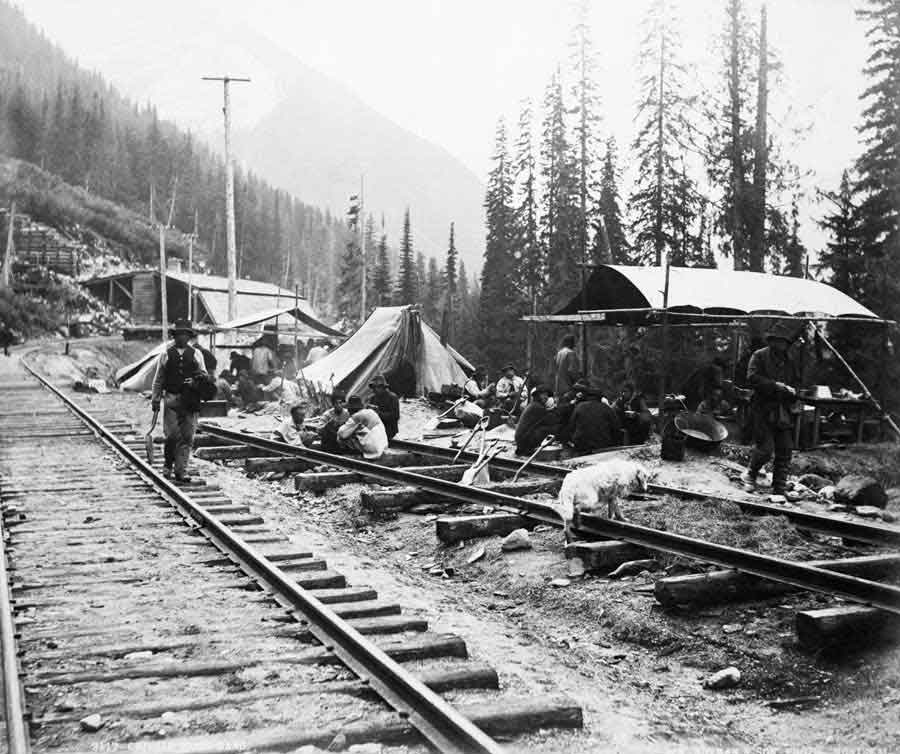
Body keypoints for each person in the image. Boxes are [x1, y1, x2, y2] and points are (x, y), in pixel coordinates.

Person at [740, 324, 800, 494]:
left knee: (786, 448)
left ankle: (779, 487)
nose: (782, 345)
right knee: (765, 449)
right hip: (762, 408)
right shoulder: (759, 356)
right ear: (772, 341)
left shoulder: (789, 361)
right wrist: (775, 385)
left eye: (785, 342)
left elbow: (797, 382)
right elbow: (751, 378)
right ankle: (750, 475)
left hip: (782, 410)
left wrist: (794, 391)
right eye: (778, 341)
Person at [151, 319, 207, 483]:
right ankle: (168, 464)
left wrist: (195, 381)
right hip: (171, 399)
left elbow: (204, 375)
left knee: (187, 436)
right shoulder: (166, 354)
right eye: (179, 334)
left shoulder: (197, 354)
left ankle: (181, 470)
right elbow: (158, 379)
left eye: (185, 334)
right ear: (174, 336)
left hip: (190, 401)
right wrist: (155, 399)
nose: (181, 337)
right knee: (172, 436)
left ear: (189, 336)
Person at [567, 384, 621, 453]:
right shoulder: (607, 409)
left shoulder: (579, 407)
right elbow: (616, 428)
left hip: (582, 446)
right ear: (601, 397)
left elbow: (571, 426)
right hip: (602, 446)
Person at [337, 395, 389, 460]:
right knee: (357, 433)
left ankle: (353, 454)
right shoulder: (371, 411)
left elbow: (341, 433)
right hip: (383, 446)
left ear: (351, 408)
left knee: (340, 438)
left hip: (373, 449)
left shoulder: (356, 416)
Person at [515, 385, 560, 455]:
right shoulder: (537, 407)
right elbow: (551, 420)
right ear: (537, 395)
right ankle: (530, 448)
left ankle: (527, 447)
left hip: (521, 439)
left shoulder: (534, 405)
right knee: (552, 428)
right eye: (543, 394)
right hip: (524, 440)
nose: (546, 397)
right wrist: (556, 409)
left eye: (547, 395)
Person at [368, 374, 400, 439]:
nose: (374, 390)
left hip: (389, 429)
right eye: (373, 388)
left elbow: (395, 416)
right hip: (376, 427)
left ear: (383, 387)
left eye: (376, 387)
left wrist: (378, 413)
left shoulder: (392, 397)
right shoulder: (373, 398)